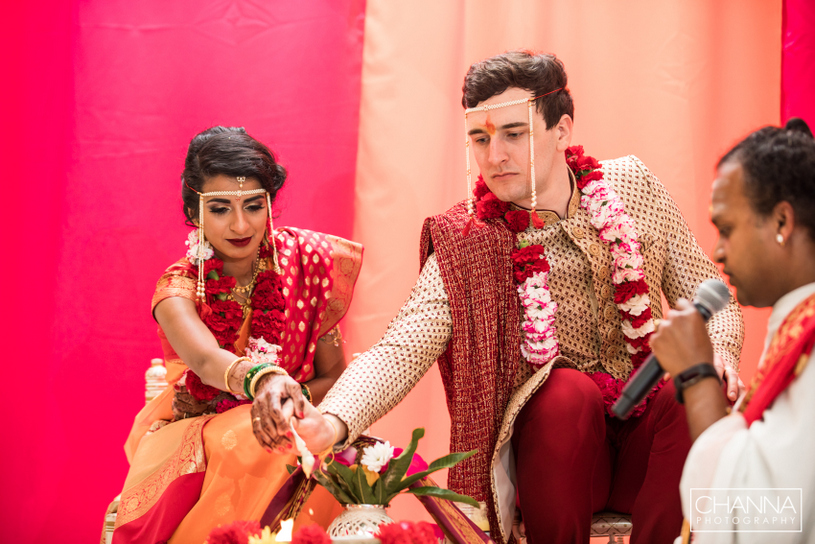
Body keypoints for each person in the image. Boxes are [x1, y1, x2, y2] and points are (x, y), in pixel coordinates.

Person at [260, 51, 746, 544]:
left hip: (651, 453)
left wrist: (721, 353)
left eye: (514, 134)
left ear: (562, 130)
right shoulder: (468, 239)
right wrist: (332, 420)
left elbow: (714, 299)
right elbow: (400, 348)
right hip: (556, 459)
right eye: (480, 138)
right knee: (564, 394)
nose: (495, 156)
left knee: (691, 386)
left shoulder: (632, 186)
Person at [111, 127, 363, 543]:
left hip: (296, 417)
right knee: (251, 436)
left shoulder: (311, 263)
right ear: (195, 213)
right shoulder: (178, 288)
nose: (241, 224)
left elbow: (334, 377)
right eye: (221, 209)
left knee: (347, 448)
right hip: (196, 426)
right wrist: (265, 379)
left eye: (253, 206)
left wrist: (285, 403)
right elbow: (208, 361)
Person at [650, 120, 815, 543]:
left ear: (781, 221)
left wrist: (699, 377)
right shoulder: (797, 325)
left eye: (726, 229)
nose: (717, 252)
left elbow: (764, 520)